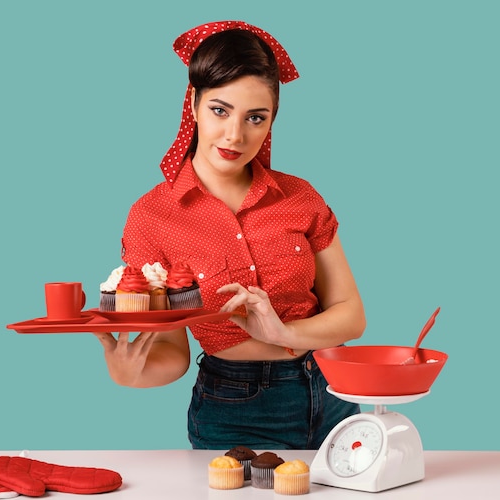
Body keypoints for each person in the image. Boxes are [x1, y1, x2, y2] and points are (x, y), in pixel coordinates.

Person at [94, 21, 366, 450]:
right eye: (220, 110)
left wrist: (284, 334)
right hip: (235, 408)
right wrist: (131, 373)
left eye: (255, 118)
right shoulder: (151, 216)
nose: (235, 135)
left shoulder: (300, 196)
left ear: (271, 121)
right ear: (193, 103)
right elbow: (173, 353)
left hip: (335, 393)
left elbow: (351, 315)